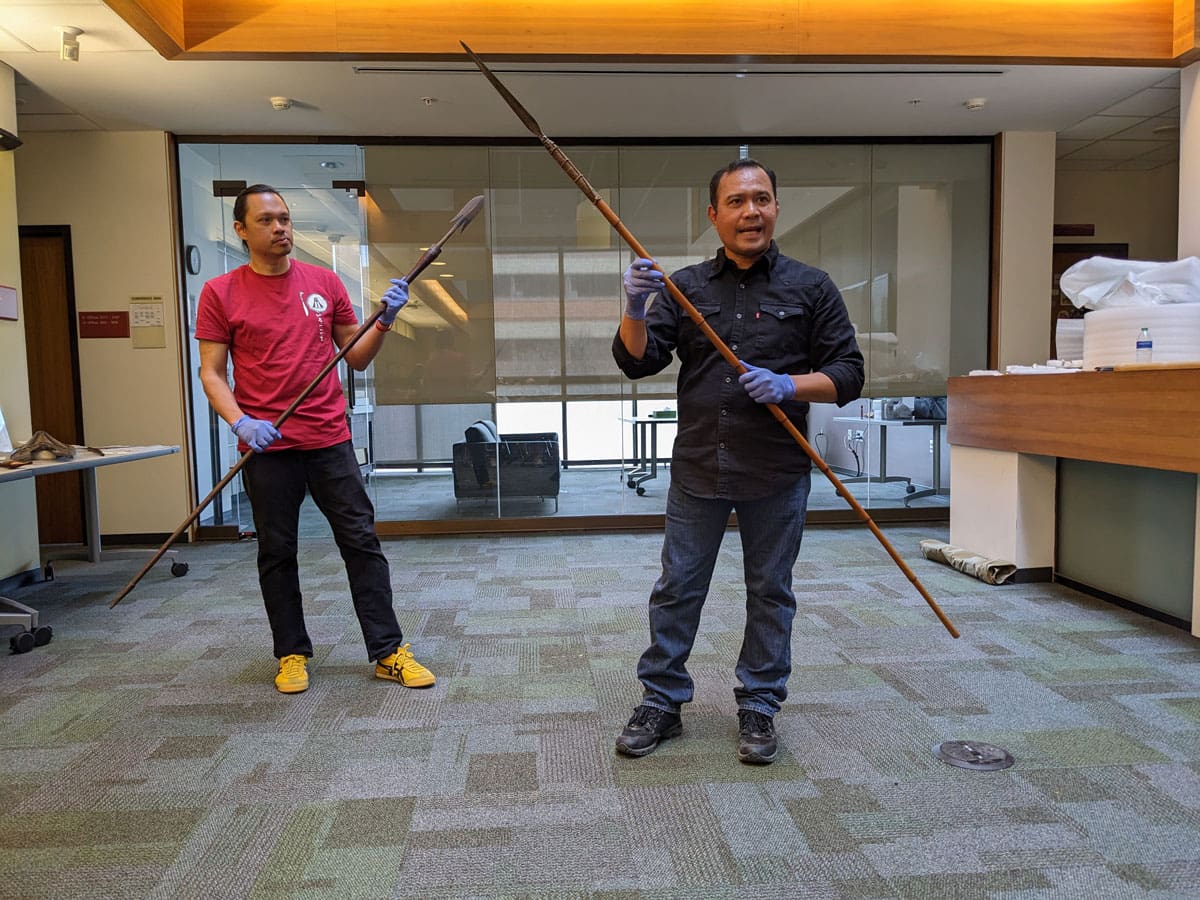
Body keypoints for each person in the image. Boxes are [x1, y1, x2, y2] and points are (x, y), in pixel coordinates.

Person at [612, 159, 864, 764]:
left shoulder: (812, 287)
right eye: (736, 201)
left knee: (770, 591)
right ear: (714, 215)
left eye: (762, 199)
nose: (750, 211)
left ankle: (759, 703)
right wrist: (636, 309)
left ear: (777, 207)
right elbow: (637, 362)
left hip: (776, 471)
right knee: (677, 588)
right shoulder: (686, 287)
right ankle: (662, 700)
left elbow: (849, 375)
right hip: (700, 466)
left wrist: (790, 386)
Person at [195, 184, 435, 695]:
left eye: (284, 217)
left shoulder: (324, 282)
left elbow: (357, 356)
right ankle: (291, 653)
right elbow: (212, 373)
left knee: (362, 543)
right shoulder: (221, 293)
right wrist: (240, 422)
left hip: (329, 438)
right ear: (241, 229)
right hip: (267, 447)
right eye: (266, 220)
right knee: (277, 552)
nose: (280, 227)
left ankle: (388, 651)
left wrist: (386, 320)